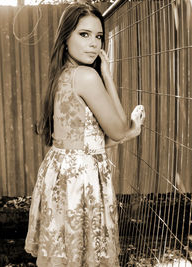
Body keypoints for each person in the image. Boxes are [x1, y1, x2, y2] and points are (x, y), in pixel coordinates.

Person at [25, 3, 145, 266]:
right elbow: (117, 128)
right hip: (80, 183)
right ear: (65, 37)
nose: (94, 44)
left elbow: (91, 140)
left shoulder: (62, 75)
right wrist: (108, 77)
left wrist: (125, 133)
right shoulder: (87, 77)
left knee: (67, 256)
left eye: (99, 36)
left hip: (61, 175)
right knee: (83, 257)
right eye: (84, 34)